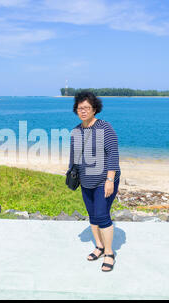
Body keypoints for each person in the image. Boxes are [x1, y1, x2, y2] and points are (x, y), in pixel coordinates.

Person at [68, 91, 121, 272]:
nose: (83, 111)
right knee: (92, 215)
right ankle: (99, 246)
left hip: (103, 179)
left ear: (94, 109)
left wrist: (110, 180)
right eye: (80, 108)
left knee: (102, 215)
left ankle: (109, 253)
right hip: (85, 179)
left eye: (87, 108)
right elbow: (74, 157)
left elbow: (113, 154)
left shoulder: (105, 128)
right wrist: (72, 175)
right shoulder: (76, 131)